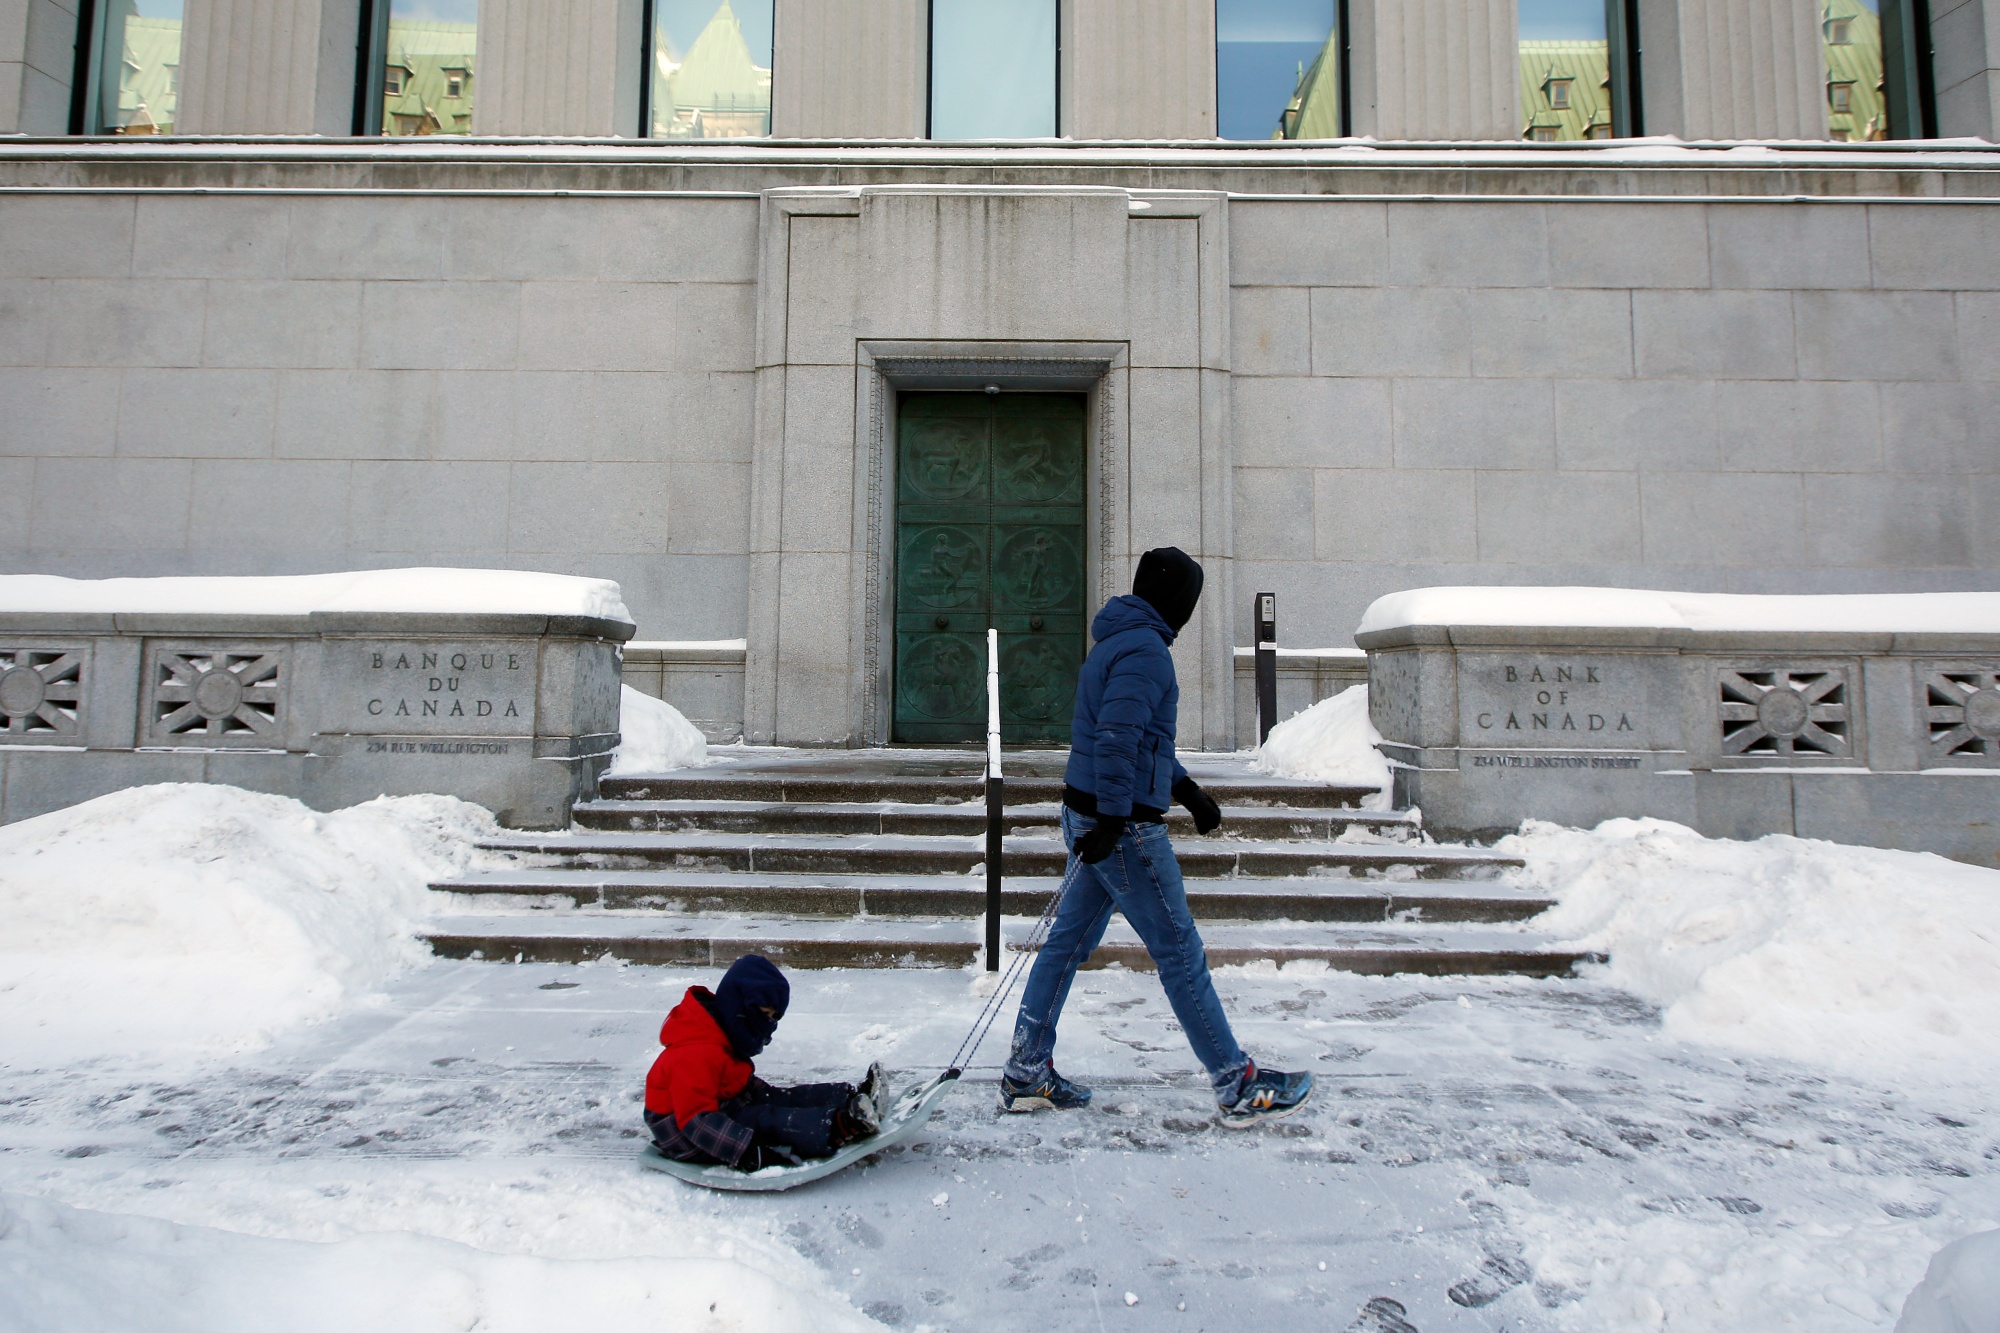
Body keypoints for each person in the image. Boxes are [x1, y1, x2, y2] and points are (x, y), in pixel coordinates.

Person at [998, 546, 1314, 1128]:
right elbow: (1117, 739)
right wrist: (1117, 821)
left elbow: (1138, 742)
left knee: (1066, 946)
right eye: (1189, 598)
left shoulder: (1120, 640)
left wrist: (1186, 789)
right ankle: (1235, 1083)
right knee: (1180, 954)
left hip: (1091, 813)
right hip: (1121, 830)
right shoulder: (1147, 652)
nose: (1191, 609)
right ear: (1175, 600)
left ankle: (1025, 1072)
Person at [644, 954, 886, 1171]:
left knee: (777, 1098)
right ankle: (841, 1127)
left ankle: (852, 1097)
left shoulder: (719, 1031)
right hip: (684, 1134)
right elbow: (696, 1120)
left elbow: (734, 1082)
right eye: (764, 1014)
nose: (768, 1024)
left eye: (773, 1017)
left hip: (720, 1102)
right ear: (739, 1004)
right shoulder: (695, 1052)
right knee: (764, 1119)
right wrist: (746, 1150)